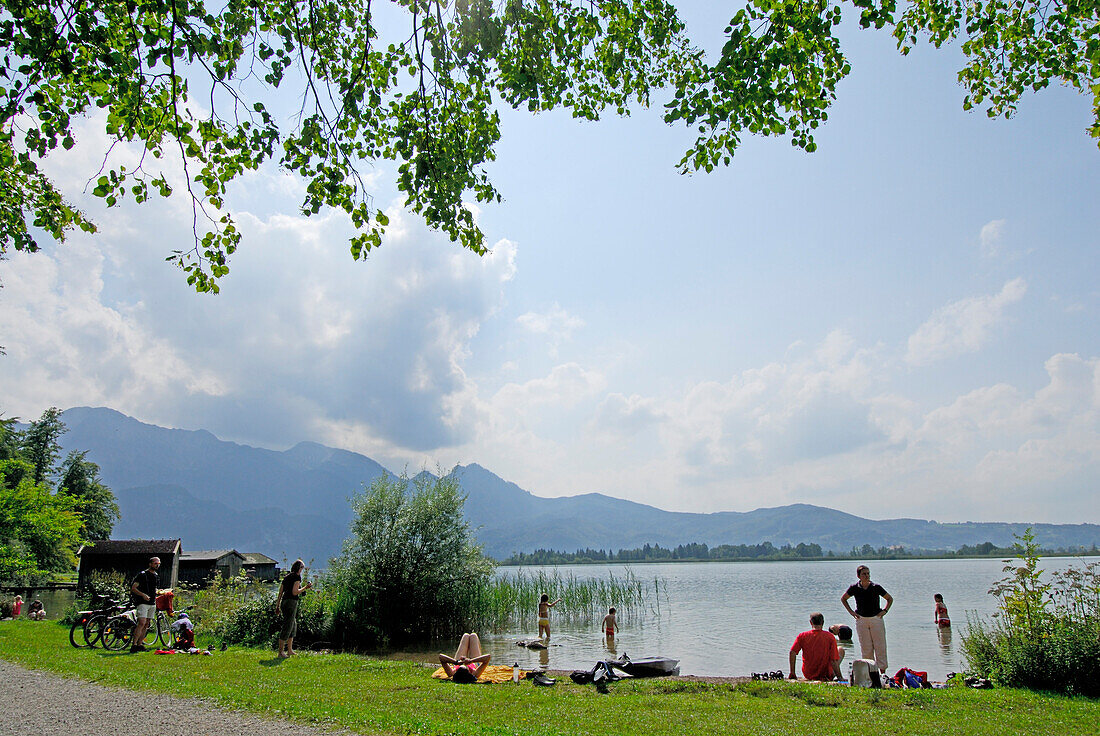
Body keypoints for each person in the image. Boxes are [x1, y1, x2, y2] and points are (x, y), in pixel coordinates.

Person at [841, 564, 893, 675]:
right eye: (864, 574)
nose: (867, 576)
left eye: (868, 573)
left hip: (876, 618)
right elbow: (844, 599)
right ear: (858, 576)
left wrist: (885, 610)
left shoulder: (876, 587)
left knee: (880, 646)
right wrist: (851, 612)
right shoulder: (854, 588)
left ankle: (883, 673)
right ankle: (870, 673)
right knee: (866, 647)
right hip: (861, 619)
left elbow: (889, 598)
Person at [274, 559, 313, 657]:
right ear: (298, 568)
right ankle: (281, 652)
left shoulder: (287, 577)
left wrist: (277, 606)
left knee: (293, 625)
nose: (302, 570)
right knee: (288, 626)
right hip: (291, 602)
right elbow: (295, 592)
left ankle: (290, 650)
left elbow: (280, 592)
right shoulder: (296, 577)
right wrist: (305, 588)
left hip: (284, 602)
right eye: (301, 568)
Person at [788, 612, 842, 681]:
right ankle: (836, 675)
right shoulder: (830, 637)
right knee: (840, 650)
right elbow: (833, 660)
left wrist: (792, 672)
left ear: (811, 622)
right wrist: (840, 677)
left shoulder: (802, 636)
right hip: (825, 674)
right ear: (823, 622)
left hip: (808, 674)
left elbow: (792, 652)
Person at [130, 556, 161, 651]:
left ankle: (140, 644)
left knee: (147, 624)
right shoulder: (143, 575)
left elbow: (154, 589)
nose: (157, 565)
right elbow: (133, 588)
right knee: (141, 622)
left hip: (152, 602)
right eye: (155, 563)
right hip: (142, 602)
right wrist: (143, 595)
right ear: (150, 564)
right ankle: (134, 644)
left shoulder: (156, 576)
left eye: (158, 564)